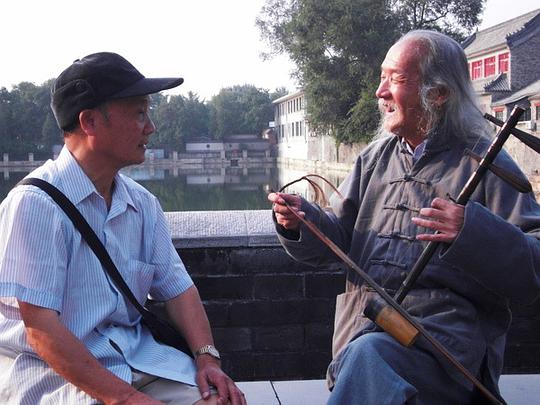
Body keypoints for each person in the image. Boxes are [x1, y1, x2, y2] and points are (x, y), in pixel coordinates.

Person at [269, 30, 540, 404]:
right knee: (366, 355)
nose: (379, 92)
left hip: (444, 351)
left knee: (370, 358)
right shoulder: (374, 159)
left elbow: (534, 267)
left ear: (437, 93)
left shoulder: (486, 164)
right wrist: (303, 221)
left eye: (394, 79)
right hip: (365, 328)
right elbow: (337, 238)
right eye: (382, 78)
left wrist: (472, 231)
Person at [0, 52, 246, 405]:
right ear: (89, 121)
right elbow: (41, 331)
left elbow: (179, 290)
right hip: (55, 375)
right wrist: (127, 399)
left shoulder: (142, 204)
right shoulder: (36, 206)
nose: (151, 127)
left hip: (138, 360)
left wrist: (207, 358)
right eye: (139, 113)